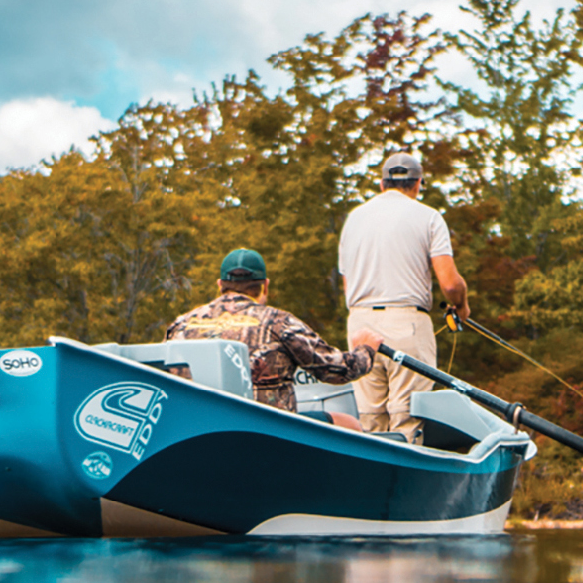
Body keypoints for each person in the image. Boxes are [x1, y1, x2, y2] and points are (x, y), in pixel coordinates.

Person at [166, 248, 383, 429]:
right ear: (265, 285)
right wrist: (365, 350)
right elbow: (338, 370)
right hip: (270, 432)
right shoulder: (278, 322)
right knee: (349, 424)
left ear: (220, 285)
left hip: (199, 430)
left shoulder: (181, 326)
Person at [338, 151, 471, 441]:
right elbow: (450, 284)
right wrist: (462, 304)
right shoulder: (429, 217)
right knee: (408, 419)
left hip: (359, 324)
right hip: (407, 323)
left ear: (382, 185)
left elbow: (348, 286)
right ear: (418, 184)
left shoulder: (354, 219)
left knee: (369, 422)